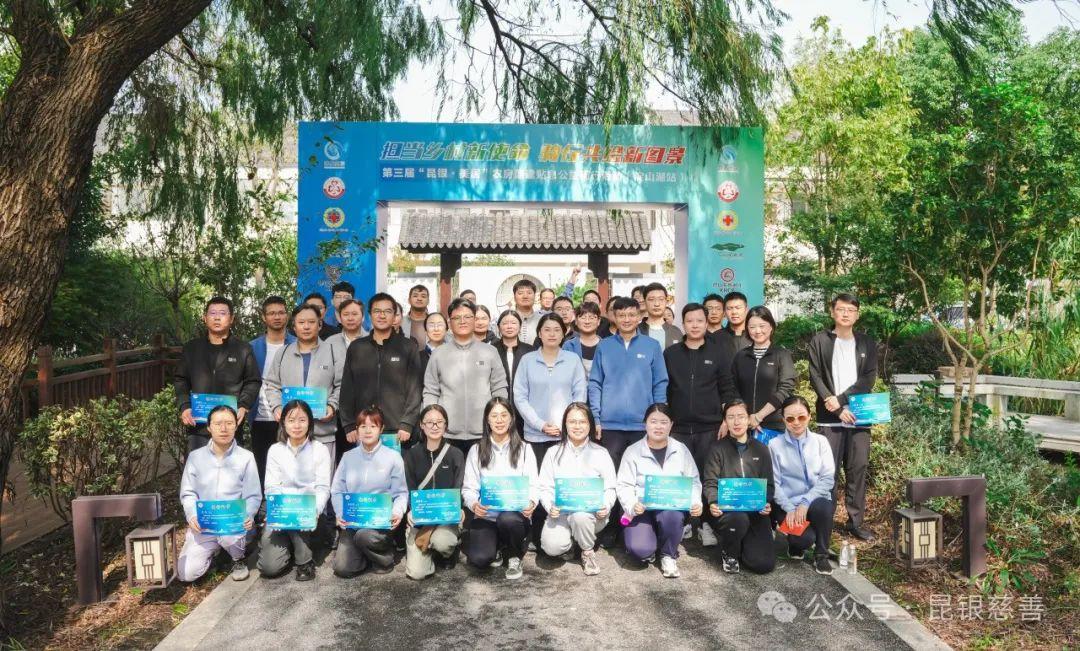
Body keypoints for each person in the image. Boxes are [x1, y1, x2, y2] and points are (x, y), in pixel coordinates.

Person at [664, 302, 737, 546]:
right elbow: (665, 389)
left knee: (708, 475)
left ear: (706, 323)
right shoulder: (671, 354)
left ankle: (707, 524)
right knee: (680, 475)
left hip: (710, 426)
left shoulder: (718, 352)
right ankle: (684, 521)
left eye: (699, 321)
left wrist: (726, 418)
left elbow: (727, 388)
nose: (694, 325)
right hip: (679, 427)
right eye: (689, 321)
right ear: (682, 324)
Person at [807, 293, 878, 541]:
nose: (846, 314)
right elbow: (815, 375)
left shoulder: (866, 342)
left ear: (857, 314)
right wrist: (835, 406)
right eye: (841, 309)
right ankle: (824, 522)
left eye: (851, 310)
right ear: (832, 312)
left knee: (858, 469)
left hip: (859, 415)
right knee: (829, 472)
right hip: (830, 417)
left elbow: (869, 377)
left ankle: (855, 522)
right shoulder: (820, 340)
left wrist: (843, 399)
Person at [514, 313, 588, 549]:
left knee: (562, 481)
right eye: (547, 329)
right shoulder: (527, 360)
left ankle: (566, 532)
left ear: (564, 333)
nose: (552, 334)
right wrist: (540, 424)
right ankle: (536, 534)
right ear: (539, 333)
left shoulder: (572, 360)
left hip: (565, 435)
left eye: (557, 329)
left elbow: (579, 395)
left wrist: (569, 425)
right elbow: (520, 396)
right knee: (537, 484)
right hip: (535, 435)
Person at [616, 403, 702, 578]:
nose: (658, 426)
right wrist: (632, 504)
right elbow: (624, 485)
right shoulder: (632, 451)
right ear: (645, 424)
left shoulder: (681, 450)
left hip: (670, 508)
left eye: (664, 422)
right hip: (641, 509)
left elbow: (693, 480)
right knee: (640, 550)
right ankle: (653, 541)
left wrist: (695, 502)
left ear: (671, 425)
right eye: (653, 421)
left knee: (672, 516)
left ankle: (668, 555)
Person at [176, 405, 260, 582]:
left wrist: (248, 514)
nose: (224, 428)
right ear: (209, 427)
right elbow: (188, 492)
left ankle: (238, 558)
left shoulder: (246, 457)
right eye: (218, 423)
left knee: (229, 537)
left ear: (236, 426)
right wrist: (192, 515)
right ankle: (215, 551)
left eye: (229, 423)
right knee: (186, 574)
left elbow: (253, 495)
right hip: (204, 525)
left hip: (232, 523)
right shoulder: (195, 457)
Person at [462, 398, 539, 580]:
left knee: (508, 519)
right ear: (487, 420)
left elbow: (534, 485)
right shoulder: (476, 450)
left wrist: (532, 502)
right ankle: (497, 546)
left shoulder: (525, 449)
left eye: (504, 415)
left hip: (514, 517)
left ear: (511, 419)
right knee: (480, 559)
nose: (499, 420)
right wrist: (474, 505)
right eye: (494, 416)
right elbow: (469, 488)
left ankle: (514, 554)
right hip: (487, 516)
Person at [588, 296, 669, 470]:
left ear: (639, 316)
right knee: (611, 472)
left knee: (642, 471)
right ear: (614, 317)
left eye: (631, 315)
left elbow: (660, 383)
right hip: (610, 425)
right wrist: (596, 418)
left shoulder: (652, 345)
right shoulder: (604, 346)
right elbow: (595, 383)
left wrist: (657, 418)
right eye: (621, 315)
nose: (626, 320)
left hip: (643, 424)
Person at [537, 403, 616, 575]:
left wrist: (606, 505)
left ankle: (587, 551)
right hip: (561, 514)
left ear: (590, 424)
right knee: (551, 547)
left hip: (591, 515)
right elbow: (545, 486)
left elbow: (610, 488)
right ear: (565, 424)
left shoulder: (601, 453)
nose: (577, 426)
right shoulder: (553, 453)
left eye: (582, 422)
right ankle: (573, 542)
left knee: (580, 516)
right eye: (572, 422)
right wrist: (550, 506)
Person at [257, 400, 332, 581]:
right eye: (291, 420)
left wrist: (314, 510)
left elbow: (323, 488)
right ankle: (293, 548)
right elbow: (272, 486)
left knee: (299, 517)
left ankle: (304, 561)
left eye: (302, 420)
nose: (297, 425)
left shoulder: (320, 450)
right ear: (283, 423)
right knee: (269, 568)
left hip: (310, 515)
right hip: (283, 513)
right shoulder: (275, 450)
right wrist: (277, 510)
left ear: (310, 423)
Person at [423, 298, 509, 456]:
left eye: (467, 317)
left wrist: (498, 418)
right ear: (449, 323)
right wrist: (433, 421)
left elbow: (499, 388)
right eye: (457, 317)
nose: (462, 321)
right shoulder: (438, 354)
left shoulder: (490, 352)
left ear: (474, 319)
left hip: (483, 432)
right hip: (447, 433)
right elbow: (431, 391)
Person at [174, 296, 261, 453]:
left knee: (231, 467)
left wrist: (243, 405)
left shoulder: (243, 349)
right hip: (199, 425)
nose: (217, 317)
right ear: (205, 318)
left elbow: (253, 381)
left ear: (231, 318)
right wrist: (185, 406)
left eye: (222, 313)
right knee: (199, 465)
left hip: (230, 425)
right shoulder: (192, 348)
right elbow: (181, 379)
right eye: (212, 313)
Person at [339, 292, 422, 452]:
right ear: (369, 315)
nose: (382, 316)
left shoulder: (408, 347)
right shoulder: (357, 348)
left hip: (399, 431)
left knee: (398, 469)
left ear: (395, 315)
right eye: (377, 311)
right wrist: (349, 424)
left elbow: (415, 389)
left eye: (387, 311)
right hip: (364, 429)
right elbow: (347, 388)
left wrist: (407, 423)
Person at [331, 407, 408, 577]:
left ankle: (384, 559)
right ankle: (365, 556)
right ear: (357, 429)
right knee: (342, 568)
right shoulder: (348, 457)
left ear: (381, 429)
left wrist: (397, 512)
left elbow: (401, 493)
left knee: (364, 537)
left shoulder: (393, 457)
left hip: (380, 523)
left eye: (373, 426)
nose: (367, 431)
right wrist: (340, 513)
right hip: (353, 521)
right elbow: (337, 490)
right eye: (363, 426)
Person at [702, 400, 775, 574]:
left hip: (756, 511)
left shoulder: (761, 449)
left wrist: (766, 501)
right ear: (725, 421)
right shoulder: (716, 449)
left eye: (741, 417)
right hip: (728, 512)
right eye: (731, 417)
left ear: (748, 419)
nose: (736, 422)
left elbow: (769, 484)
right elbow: (710, 482)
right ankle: (730, 552)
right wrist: (713, 501)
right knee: (738, 519)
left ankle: (742, 543)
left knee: (762, 564)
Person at [263, 303, 343, 460]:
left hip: (323, 433)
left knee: (323, 476)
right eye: (301, 322)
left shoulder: (333, 351)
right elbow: (272, 385)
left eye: (311, 322)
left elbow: (342, 385)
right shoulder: (283, 353)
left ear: (320, 325)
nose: (306, 327)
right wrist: (277, 407)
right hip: (290, 434)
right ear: (294, 326)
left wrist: (332, 406)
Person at [769, 396, 837, 575]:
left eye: (801, 417)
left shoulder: (821, 442)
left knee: (824, 507)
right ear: (783, 420)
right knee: (803, 540)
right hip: (788, 504)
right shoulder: (774, 445)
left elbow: (828, 478)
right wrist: (790, 508)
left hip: (815, 501)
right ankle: (796, 544)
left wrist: (806, 502)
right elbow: (775, 484)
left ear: (809, 416)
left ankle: (821, 554)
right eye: (790, 418)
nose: (796, 423)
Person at [402, 404, 466, 580]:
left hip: (446, 520)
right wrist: (411, 511)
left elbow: (458, 487)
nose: (435, 426)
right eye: (429, 422)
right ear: (422, 425)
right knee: (416, 574)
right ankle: (427, 550)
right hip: (421, 521)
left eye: (439, 422)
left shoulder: (456, 454)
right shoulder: (412, 455)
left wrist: (459, 508)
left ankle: (446, 551)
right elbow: (409, 488)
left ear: (446, 425)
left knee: (443, 542)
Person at [730, 306, 796, 445]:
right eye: (752, 327)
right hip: (744, 427)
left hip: (773, 426)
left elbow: (786, 389)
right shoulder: (741, 356)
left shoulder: (781, 354)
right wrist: (746, 417)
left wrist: (758, 417)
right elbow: (733, 389)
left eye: (762, 326)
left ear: (771, 326)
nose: (757, 331)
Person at [249, 296, 296, 485]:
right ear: (264, 317)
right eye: (272, 313)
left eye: (281, 312)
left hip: (290, 418)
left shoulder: (297, 344)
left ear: (287, 315)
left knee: (290, 469)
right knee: (262, 467)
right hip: (260, 418)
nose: (277, 317)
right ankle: (264, 502)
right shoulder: (252, 347)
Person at [492, 310, 534, 418]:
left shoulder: (530, 351)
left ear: (520, 327)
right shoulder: (491, 350)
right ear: (498, 327)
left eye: (514, 323)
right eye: (505, 323)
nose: (509, 326)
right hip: (498, 407)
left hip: (525, 408)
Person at [638, 282, 682, 350]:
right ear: (645, 302)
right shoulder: (636, 331)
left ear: (666, 302)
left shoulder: (676, 332)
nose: (657, 304)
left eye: (661, 299)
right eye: (651, 299)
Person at [562, 302, 603, 374]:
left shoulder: (607, 346)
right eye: (583, 317)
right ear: (576, 321)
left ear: (598, 321)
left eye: (591, 318)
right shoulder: (568, 346)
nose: (587, 321)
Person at [715, 291, 752, 357]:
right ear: (724, 312)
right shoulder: (715, 337)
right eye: (729, 308)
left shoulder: (755, 335)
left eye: (738, 308)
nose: (734, 312)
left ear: (746, 310)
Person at [418, 312, 448, 381]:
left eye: (440, 324)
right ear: (425, 331)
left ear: (446, 329)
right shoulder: (417, 358)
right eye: (431, 325)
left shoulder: (457, 354)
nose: (436, 329)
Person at [512, 279, 542, 345]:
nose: (525, 296)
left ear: (535, 296)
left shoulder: (543, 320)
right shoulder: (506, 320)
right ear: (514, 297)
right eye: (520, 293)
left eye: (529, 293)